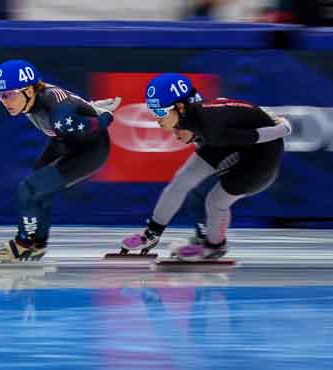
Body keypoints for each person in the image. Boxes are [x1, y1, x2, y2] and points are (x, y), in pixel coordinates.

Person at [119, 73, 289, 261]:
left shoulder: (210, 127)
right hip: (235, 143)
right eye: (153, 112)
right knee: (182, 180)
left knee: (216, 201)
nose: (157, 119)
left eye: (160, 112)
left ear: (180, 107)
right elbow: (236, 110)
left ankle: (215, 246)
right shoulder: (194, 116)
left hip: (261, 158)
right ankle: (151, 234)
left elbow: (254, 136)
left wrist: (284, 129)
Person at [0, 58, 116, 263]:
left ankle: (23, 243)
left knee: (28, 188)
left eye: (8, 95)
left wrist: (103, 115)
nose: (5, 102)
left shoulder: (58, 112)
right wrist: (89, 107)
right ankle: (38, 242)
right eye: (0, 96)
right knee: (37, 184)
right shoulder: (30, 100)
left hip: (90, 150)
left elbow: (99, 123)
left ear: (29, 90)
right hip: (64, 140)